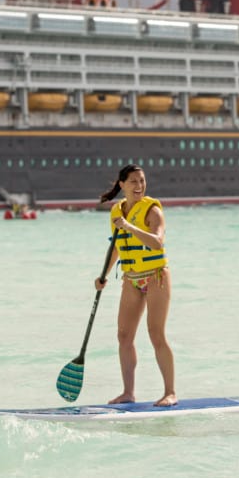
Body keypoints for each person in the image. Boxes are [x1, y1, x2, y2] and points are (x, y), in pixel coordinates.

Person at [96, 164, 177, 406]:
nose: (139, 186)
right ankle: (128, 393)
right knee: (123, 336)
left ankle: (170, 392)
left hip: (156, 276)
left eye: (142, 181)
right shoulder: (116, 212)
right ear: (122, 185)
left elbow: (157, 243)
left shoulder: (152, 211)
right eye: (133, 181)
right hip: (131, 279)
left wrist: (130, 226)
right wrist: (104, 276)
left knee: (156, 334)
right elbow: (117, 248)